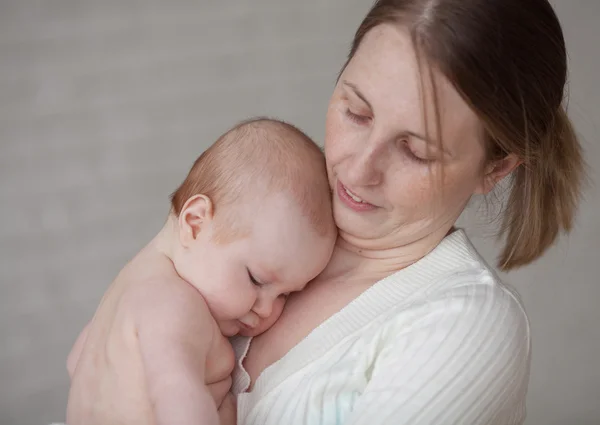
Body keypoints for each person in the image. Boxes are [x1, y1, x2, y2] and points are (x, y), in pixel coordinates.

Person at [227, 1, 585, 424]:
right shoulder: (257, 205)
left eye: (417, 152)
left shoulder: (466, 328)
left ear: (496, 167)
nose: (359, 170)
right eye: (356, 113)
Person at [64, 118, 337, 425]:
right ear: (195, 224)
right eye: (256, 280)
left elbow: (76, 362)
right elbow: (177, 396)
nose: (267, 309)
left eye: (285, 295)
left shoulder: (123, 294)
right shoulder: (173, 305)